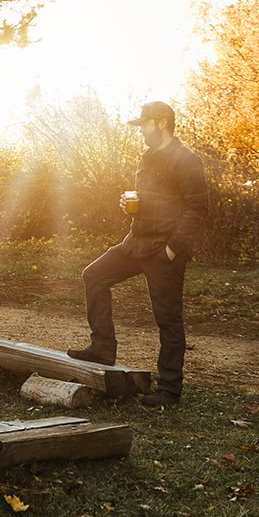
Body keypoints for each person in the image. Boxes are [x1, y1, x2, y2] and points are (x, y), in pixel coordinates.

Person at [68, 101, 208, 408]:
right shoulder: (148, 157)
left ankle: (169, 390)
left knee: (168, 319)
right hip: (136, 242)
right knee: (94, 275)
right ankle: (102, 349)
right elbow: (153, 201)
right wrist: (132, 206)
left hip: (164, 250)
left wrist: (173, 248)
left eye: (145, 124)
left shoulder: (186, 159)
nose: (142, 130)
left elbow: (198, 207)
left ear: (162, 122)